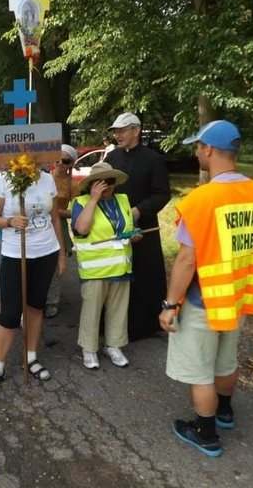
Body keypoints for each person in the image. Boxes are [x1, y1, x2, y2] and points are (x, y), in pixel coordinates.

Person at [159, 120, 253, 457]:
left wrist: (169, 304)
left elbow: (186, 261)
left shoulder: (202, 199)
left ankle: (205, 433)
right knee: (226, 361)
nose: (196, 152)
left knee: (201, 371)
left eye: (197, 146)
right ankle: (224, 411)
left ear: (208, 149)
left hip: (203, 299)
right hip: (238, 295)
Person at [0, 159, 67, 392]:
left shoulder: (47, 179)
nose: (33, 162)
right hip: (15, 254)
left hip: (46, 251)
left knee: (36, 307)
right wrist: (10, 221)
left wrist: (61, 254)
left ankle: (31, 357)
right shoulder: (5, 179)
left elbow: (55, 217)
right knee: (9, 313)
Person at [104, 112, 171, 340]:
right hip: (114, 226)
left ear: (136, 131)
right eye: (115, 131)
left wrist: (138, 211)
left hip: (143, 226)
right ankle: (113, 324)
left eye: (121, 131)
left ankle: (146, 325)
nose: (117, 135)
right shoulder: (112, 158)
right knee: (115, 272)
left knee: (144, 274)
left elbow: (162, 193)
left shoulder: (153, 159)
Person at [71, 162, 142, 369]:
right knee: (92, 310)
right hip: (95, 270)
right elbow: (82, 229)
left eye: (110, 181)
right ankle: (89, 349)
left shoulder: (123, 200)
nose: (106, 186)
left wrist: (134, 234)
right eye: (100, 182)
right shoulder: (81, 202)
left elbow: (128, 226)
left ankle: (114, 346)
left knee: (118, 309)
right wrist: (93, 199)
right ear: (91, 184)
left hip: (121, 266)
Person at [45, 144, 79, 318]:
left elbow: (77, 212)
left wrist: (55, 212)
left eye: (65, 161)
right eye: (58, 159)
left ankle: (52, 301)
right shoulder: (44, 178)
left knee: (56, 264)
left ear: (71, 163)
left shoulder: (72, 185)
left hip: (59, 225)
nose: (60, 163)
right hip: (41, 225)